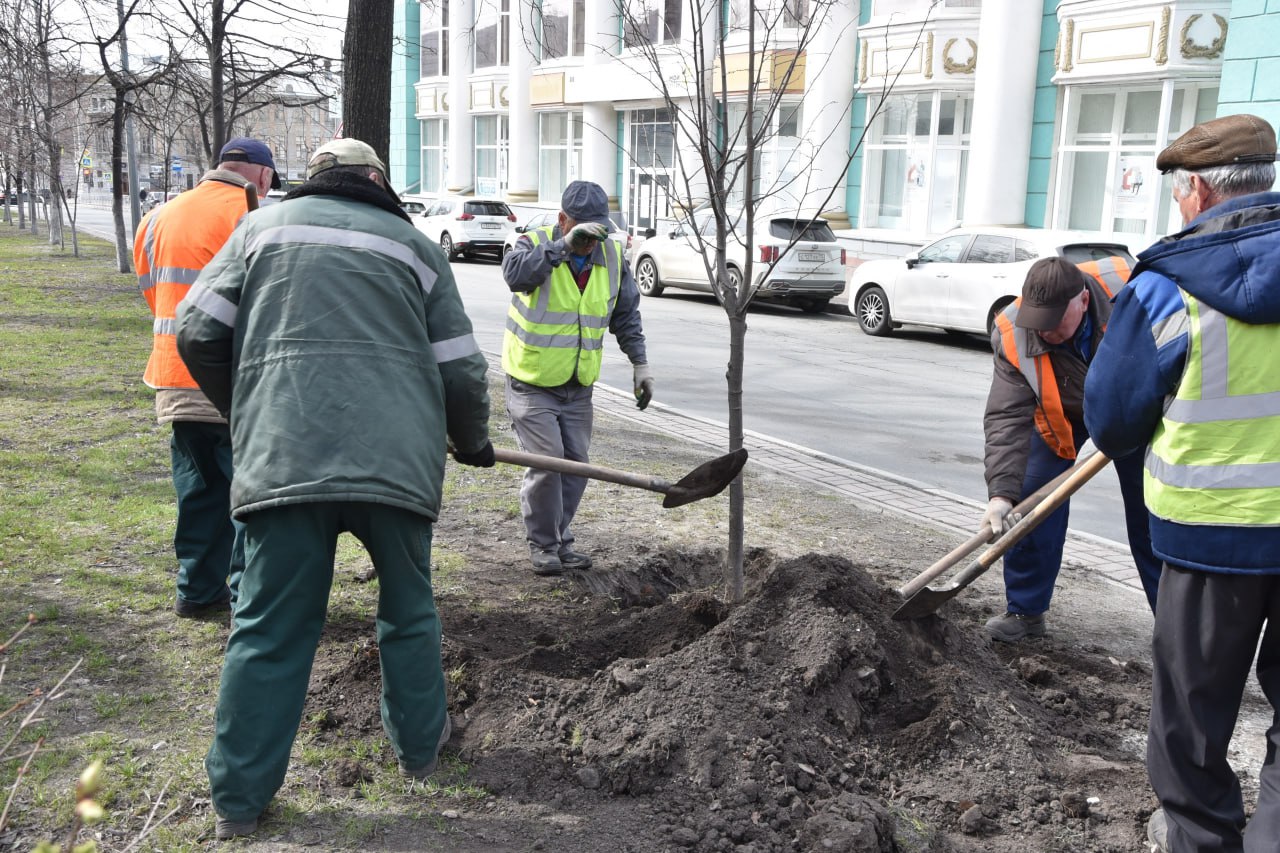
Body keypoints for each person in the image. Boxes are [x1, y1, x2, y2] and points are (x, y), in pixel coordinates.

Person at [175, 138, 494, 840]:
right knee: (409, 612)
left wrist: (249, 409)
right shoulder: (415, 247)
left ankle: (238, 801)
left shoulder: (260, 230)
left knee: (269, 627)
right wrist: (472, 441)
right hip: (397, 470)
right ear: (376, 179)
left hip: (286, 461)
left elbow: (197, 332)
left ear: (311, 178)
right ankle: (420, 752)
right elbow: (464, 372)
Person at [1083, 113, 1280, 853]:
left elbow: (1111, 419)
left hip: (1207, 550)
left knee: (1190, 728)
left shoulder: (1166, 289)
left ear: (1196, 189)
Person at [980, 255, 1162, 642]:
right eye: (1037, 321)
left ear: (1082, 300)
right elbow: (1006, 417)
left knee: (1154, 514)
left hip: (1139, 411)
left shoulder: (1137, 288)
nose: (1043, 333)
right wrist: (1000, 494)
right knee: (1030, 500)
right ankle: (1025, 613)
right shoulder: (1013, 332)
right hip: (1062, 412)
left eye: (1053, 323)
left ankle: (1174, 625)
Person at [135, 137, 280, 618]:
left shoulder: (158, 215)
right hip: (234, 382)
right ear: (260, 173)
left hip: (175, 375)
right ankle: (245, 598)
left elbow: (152, 291)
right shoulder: (252, 215)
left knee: (198, 492)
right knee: (248, 496)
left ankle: (196, 593)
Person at [501, 179, 654, 576]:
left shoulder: (612, 255)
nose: (592, 240)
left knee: (577, 466)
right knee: (548, 464)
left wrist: (640, 364)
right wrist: (564, 247)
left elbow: (626, 315)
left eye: (598, 230)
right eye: (583, 232)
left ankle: (559, 537)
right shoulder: (532, 243)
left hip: (578, 387)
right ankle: (544, 544)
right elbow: (516, 276)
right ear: (563, 220)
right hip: (532, 381)